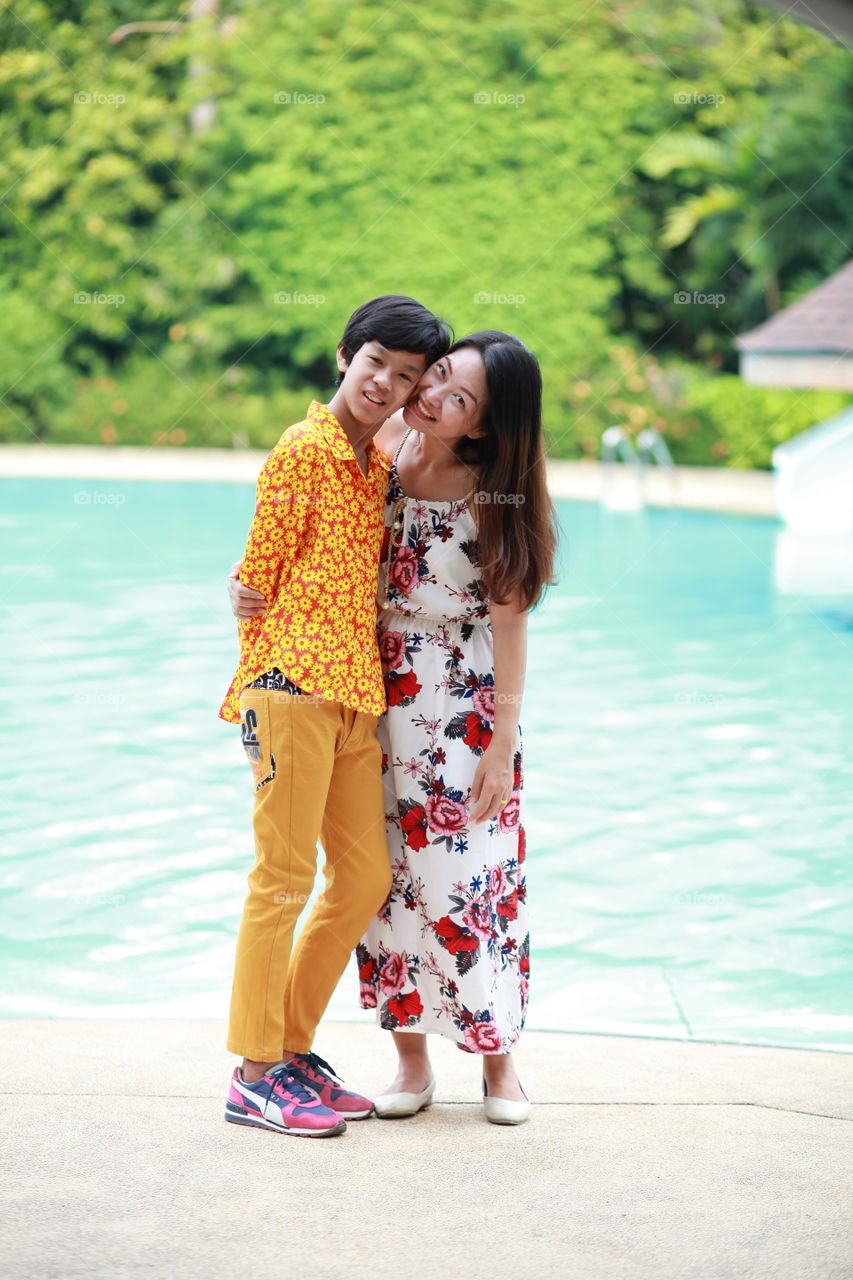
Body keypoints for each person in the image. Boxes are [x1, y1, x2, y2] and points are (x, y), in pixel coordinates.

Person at [231, 331, 558, 1125]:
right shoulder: (379, 445)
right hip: (362, 689)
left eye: (458, 397)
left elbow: (510, 628)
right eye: (437, 375)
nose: (432, 394)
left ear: (481, 425)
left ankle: (498, 1062)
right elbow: (303, 534)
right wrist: (248, 587)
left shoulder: (494, 491)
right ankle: (406, 1063)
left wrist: (500, 744)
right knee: (383, 887)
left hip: (458, 708)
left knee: (466, 883)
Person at [220, 295, 451, 1138]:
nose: (383, 385)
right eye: (373, 365)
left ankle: (287, 1050)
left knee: (361, 878)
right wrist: (253, 637)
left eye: (403, 376)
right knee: (280, 880)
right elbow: (255, 580)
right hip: (291, 692)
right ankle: (253, 1073)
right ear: (344, 357)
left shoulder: (375, 465)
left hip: (359, 698)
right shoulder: (304, 448)